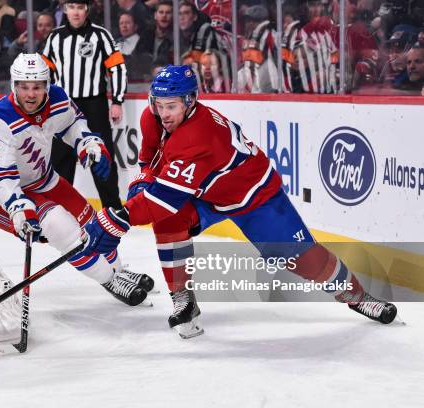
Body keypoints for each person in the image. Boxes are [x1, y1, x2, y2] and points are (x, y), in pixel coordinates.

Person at [81, 65, 398, 338]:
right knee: (168, 220)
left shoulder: (199, 136)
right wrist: (139, 188)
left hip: (255, 198)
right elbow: (150, 162)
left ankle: (358, 297)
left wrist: (111, 219)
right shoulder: (154, 117)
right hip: (207, 194)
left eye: (172, 106)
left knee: (307, 262)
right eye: (159, 104)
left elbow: (163, 199)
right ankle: (183, 297)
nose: (163, 113)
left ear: (190, 102)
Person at [0, 53, 153, 306]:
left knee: (92, 222)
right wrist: (20, 209)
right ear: (14, 85)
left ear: (47, 85)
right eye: (24, 87)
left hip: (42, 178)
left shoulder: (57, 98)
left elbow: (73, 123)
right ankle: (108, 279)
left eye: (36, 87)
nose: (30, 94)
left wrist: (88, 145)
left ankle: (119, 270)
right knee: (61, 227)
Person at [41, 0, 126, 210]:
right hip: (64, 106)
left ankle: (113, 209)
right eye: (71, 7)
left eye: (80, 7)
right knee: (61, 158)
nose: (76, 12)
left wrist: (117, 101)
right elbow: (44, 72)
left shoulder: (101, 35)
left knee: (101, 156)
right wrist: (45, 103)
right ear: (65, 10)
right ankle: (57, 211)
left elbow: (118, 68)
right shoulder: (55, 37)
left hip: (94, 105)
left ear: (86, 10)